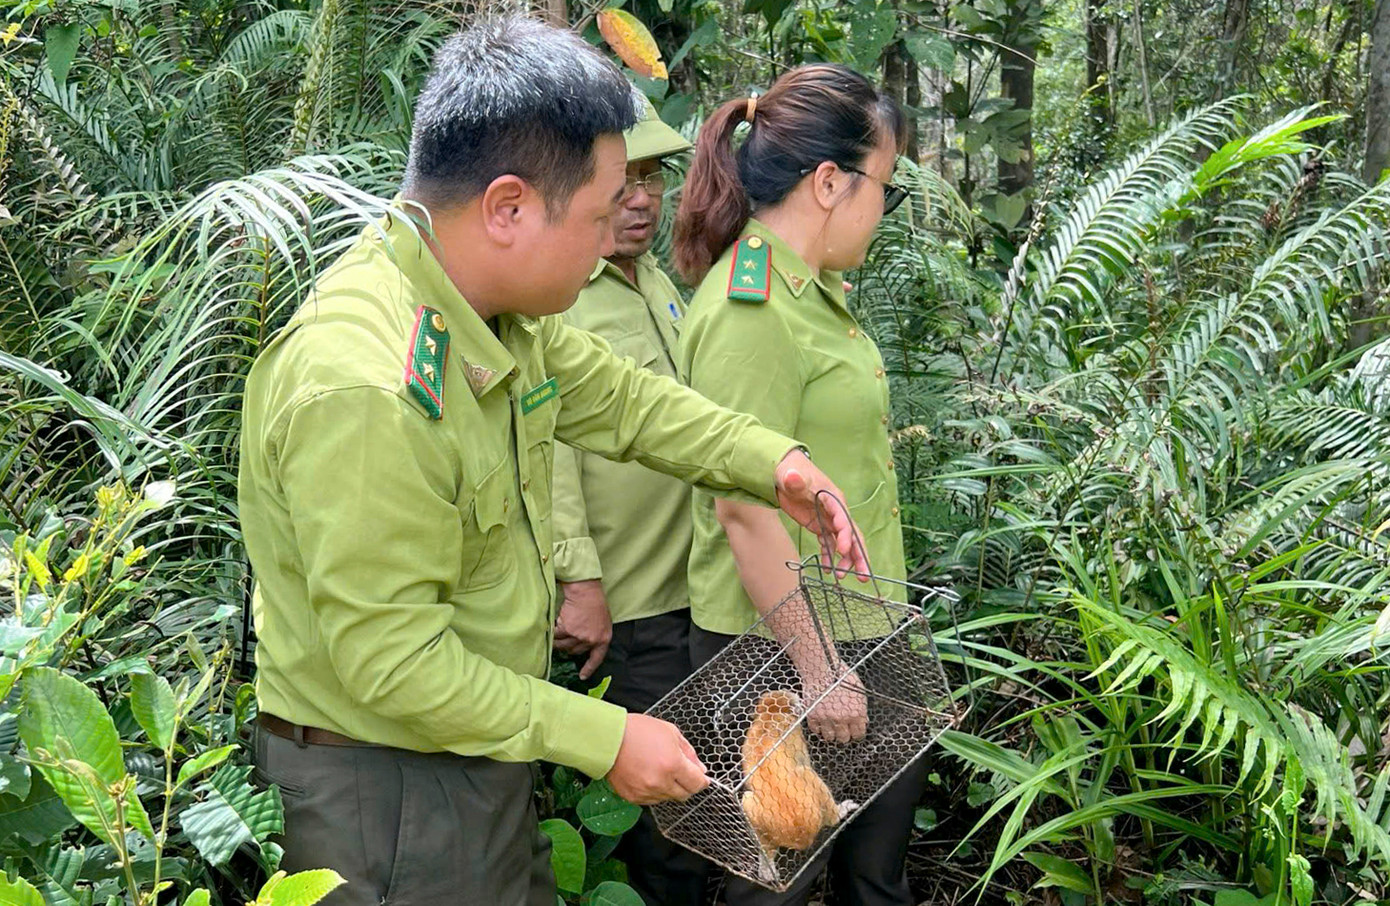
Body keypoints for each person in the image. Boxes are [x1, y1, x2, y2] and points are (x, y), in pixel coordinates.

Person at [237, 20, 868, 906]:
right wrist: (606, 739)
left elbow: (625, 402)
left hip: (475, 752)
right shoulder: (368, 388)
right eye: (603, 210)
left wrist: (777, 464)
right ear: (508, 207)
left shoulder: (495, 315)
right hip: (387, 789)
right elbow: (393, 662)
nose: (623, 227)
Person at [671, 64, 921, 906]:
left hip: (866, 629)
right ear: (828, 182)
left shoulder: (816, 297)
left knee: (874, 876)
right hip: (778, 652)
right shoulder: (753, 312)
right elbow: (743, 509)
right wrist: (817, 668)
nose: (883, 210)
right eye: (883, 185)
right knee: (773, 879)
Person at [549, 98, 713, 906]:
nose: (642, 198)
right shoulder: (560, 295)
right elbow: (547, 448)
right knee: (658, 821)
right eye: (625, 180)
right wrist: (580, 580)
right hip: (627, 601)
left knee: (696, 790)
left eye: (654, 177)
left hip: (695, 586)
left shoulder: (659, 283)